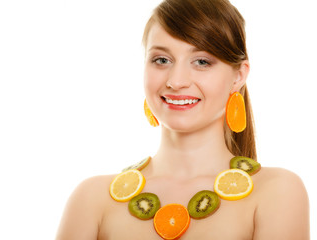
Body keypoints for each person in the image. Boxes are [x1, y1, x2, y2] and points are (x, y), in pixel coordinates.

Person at [56, 0, 310, 239]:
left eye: (201, 61)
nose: (176, 81)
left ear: (238, 76)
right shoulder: (90, 199)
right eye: (162, 60)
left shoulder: (277, 192)